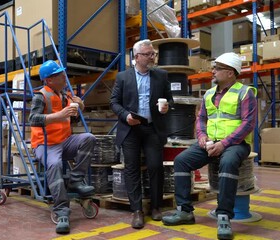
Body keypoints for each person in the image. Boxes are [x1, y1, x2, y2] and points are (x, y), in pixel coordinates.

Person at [161, 52, 257, 240]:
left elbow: (248, 124)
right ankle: (184, 211)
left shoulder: (245, 93)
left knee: (228, 162)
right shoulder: (209, 94)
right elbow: (201, 119)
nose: (213, 71)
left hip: (235, 144)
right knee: (181, 161)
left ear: (230, 72)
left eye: (217, 68)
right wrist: (202, 136)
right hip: (210, 143)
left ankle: (223, 217)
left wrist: (223, 144)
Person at [110, 39, 173, 229]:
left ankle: (156, 206)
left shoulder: (161, 76)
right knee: (132, 169)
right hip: (130, 129)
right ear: (137, 57)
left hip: (152, 128)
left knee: (155, 167)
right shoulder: (123, 77)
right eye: (148, 54)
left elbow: (169, 99)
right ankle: (137, 210)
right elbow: (114, 102)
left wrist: (166, 107)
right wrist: (126, 115)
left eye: (153, 53)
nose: (152, 57)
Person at [29, 60, 96, 234]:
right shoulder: (40, 96)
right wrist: (58, 115)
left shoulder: (65, 95)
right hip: (45, 144)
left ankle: (75, 180)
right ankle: (62, 212)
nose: (64, 77)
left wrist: (79, 106)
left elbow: (69, 118)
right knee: (55, 165)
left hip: (64, 141)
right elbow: (33, 119)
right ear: (49, 80)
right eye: (60, 75)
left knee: (88, 138)